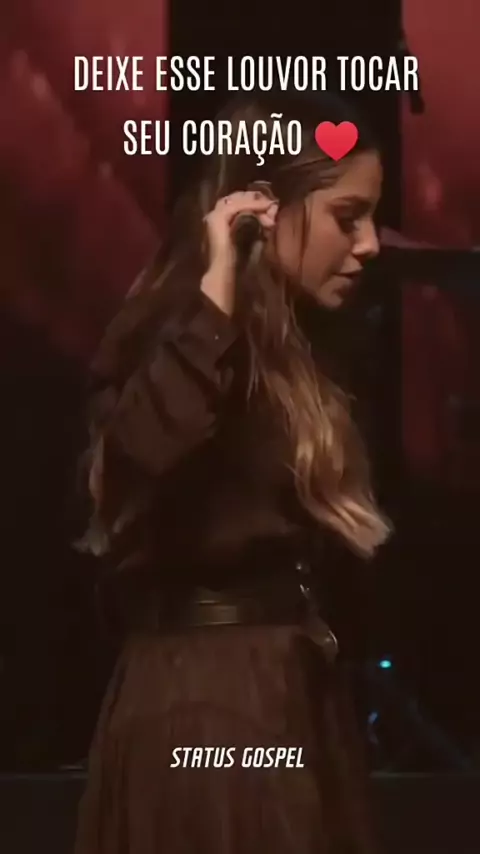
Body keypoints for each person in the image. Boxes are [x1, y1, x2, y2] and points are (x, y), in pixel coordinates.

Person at [74, 90, 391, 854]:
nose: (372, 244)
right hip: (206, 709)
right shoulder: (184, 328)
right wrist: (217, 292)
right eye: (347, 217)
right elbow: (136, 458)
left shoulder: (296, 345)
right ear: (265, 210)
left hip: (279, 693)